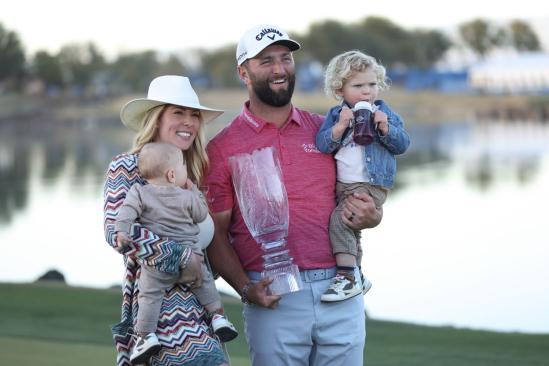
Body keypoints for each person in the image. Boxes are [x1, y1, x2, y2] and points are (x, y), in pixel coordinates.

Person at [204, 24, 382, 366]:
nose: (279, 69)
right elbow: (216, 234)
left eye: (285, 59)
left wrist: (374, 216)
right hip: (273, 293)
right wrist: (244, 288)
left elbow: (358, 195)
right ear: (244, 72)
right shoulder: (222, 148)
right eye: (266, 61)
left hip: (340, 287)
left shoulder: (326, 130)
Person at [103, 75, 230, 366]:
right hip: (161, 309)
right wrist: (182, 257)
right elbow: (116, 231)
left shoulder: (191, 174)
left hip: (202, 307)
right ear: (156, 119)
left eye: (194, 114)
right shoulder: (127, 165)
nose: (189, 121)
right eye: (178, 112)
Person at [114, 142, 238, 364]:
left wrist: (122, 231)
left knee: (149, 296)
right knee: (206, 284)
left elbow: (126, 212)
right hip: (192, 258)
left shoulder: (139, 192)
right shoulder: (186, 195)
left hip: (158, 266)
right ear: (172, 175)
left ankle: (145, 336)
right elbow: (201, 215)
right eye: (183, 167)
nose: (186, 171)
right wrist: (194, 191)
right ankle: (218, 317)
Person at [316, 50, 410, 302]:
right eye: (358, 86)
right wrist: (339, 127)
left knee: (340, 221)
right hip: (344, 185)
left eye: (372, 84)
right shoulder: (337, 116)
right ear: (340, 91)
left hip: (372, 183)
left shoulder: (385, 114)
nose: (367, 91)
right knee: (352, 230)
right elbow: (323, 146)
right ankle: (358, 275)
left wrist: (386, 128)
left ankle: (346, 278)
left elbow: (402, 145)